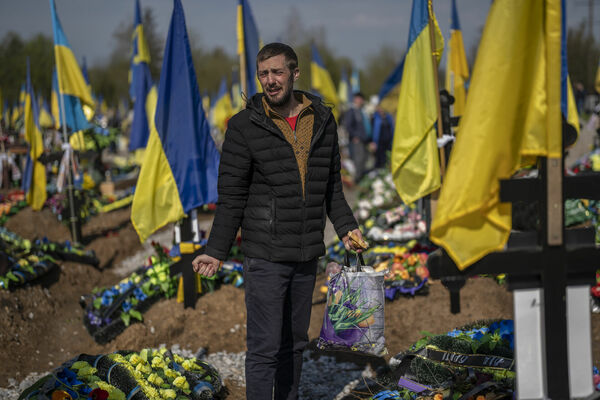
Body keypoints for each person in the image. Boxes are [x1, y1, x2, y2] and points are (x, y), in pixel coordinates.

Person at [192, 43, 365, 400]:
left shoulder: (322, 120)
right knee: (264, 347)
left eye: (277, 72)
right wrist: (215, 250)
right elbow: (232, 196)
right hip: (265, 254)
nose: (270, 81)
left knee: (295, 345)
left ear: (294, 73)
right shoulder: (243, 127)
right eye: (263, 74)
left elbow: (331, 184)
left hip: (305, 253)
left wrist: (347, 227)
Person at [341, 92, 371, 182]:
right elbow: (348, 125)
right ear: (355, 99)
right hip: (357, 140)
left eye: (361, 98)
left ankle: (362, 178)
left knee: (364, 160)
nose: (359, 100)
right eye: (358, 98)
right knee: (358, 160)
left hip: (365, 140)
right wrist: (355, 136)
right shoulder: (352, 111)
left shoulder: (363, 111)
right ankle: (357, 181)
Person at [371, 105, 394, 169]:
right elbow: (372, 130)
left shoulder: (389, 117)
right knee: (380, 160)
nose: (381, 110)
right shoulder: (375, 118)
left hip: (389, 142)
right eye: (379, 108)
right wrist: (373, 142)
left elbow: (392, 129)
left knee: (389, 158)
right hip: (379, 143)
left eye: (382, 108)